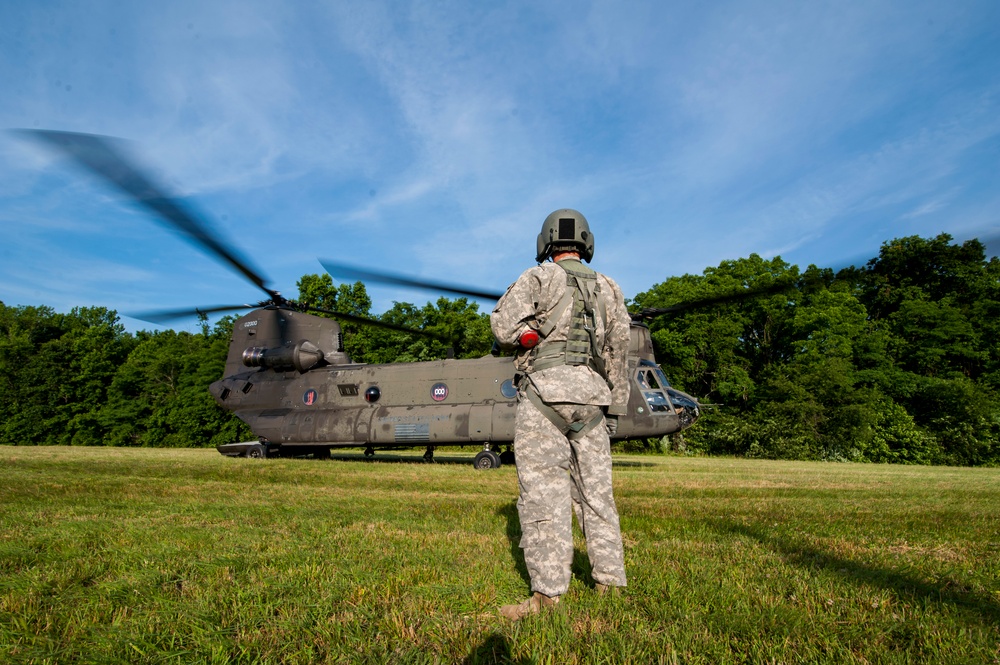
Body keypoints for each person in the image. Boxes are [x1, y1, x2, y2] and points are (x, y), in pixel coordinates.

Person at [490, 208, 631, 620]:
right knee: (598, 495)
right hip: (592, 400)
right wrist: (614, 407)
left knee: (544, 496)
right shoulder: (610, 287)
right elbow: (619, 349)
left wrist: (525, 335)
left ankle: (547, 597)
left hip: (543, 399)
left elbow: (502, 327)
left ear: (546, 241)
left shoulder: (537, 278)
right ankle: (609, 583)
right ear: (585, 242)